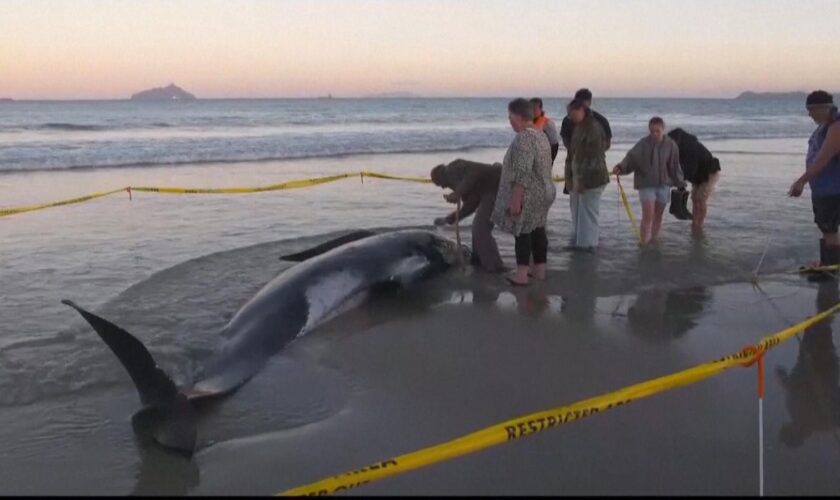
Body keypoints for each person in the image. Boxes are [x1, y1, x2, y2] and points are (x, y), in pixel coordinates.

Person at [492, 98, 556, 286]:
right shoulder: (540, 134)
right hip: (545, 191)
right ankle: (539, 271)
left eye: (510, 116)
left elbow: (522, 172)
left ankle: (521, 275)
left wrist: (515, 201)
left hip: (530, 194)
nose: (509, 121)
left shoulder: (524, 138)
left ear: (519, 116)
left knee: (522, 232)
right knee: (538, 230)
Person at [789, 91, 840, 281]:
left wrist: (801, 181)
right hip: (823, 188)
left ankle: (830, 271)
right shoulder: (825, 126)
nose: (809, 114)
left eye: (811, 110)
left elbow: (823, 159)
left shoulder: (836, 126)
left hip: (833, 189)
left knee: (830, 228)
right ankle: (827, 265)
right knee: (826, 227)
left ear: (823, 107)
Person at [613, 116, 686, 246]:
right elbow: (631, 158)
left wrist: (680, 183)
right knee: (648, 215)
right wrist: (620, 167)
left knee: (658, 216)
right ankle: (644, 244)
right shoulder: (643, 144)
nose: (654, 134)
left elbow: (675, 166)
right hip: (646, 184)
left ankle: (654, 241)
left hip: (664, 185)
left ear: (663, 129)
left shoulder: (671, 145)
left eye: (657, 131)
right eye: (652, 131)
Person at [431, 159, 505, 273]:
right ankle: (480, 261)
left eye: (439, 184)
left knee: (480, 229)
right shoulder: (458, 182)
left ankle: (494, 268)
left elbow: (477, 170)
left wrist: (458, 192)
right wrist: (448, 219)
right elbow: (471, 206)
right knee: (477, 228)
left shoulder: (453, 168)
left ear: (441, 175)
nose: (442, 187)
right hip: (490, 192)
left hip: (497, 186)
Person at [564, 99, 610, 251]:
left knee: (588, 216)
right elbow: (574, 154)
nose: (569, 117)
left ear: (580, 110)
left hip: (593, 179)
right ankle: (581, 243)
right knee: (580, 214)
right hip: (580, 177)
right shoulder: (580, 126)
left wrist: (580, 180)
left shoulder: (593, 129)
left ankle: (588, 247)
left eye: (571, 114)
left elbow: (591, 158)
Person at [667, 128, 722, 233]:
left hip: (710, 172)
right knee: (695, 199)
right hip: (699, 176)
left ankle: (699, 225)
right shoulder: (679, 149)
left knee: (700, 199)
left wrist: (680, 184)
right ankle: (695, 223)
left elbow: (689, 169)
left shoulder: (690, 148)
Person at [560, 88, 612, 152]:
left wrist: (591, 152)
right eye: (579, 103)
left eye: (583, 103)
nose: (581, 106)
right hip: (574, 159)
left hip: (595, 159)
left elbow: (607, 143)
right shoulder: (568, 120)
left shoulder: (600, 120)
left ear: (589, 102)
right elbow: (565, 141)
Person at [530, 98, 560, 162]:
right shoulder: (532, 121)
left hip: (550, 149)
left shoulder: (546, 122)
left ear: (540, 109)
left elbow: (554, 143)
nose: (532, 111)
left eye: (534, 108)